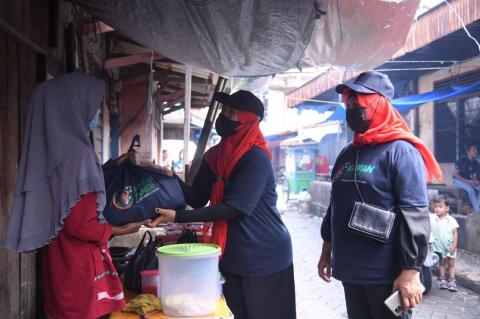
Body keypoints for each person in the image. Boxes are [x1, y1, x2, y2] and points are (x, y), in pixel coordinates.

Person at [3, 73, 149, 319]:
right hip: (79, 269)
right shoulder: (80, 155)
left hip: (57, 262)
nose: (95, 114)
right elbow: (81, 225)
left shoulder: (50, 152)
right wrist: (122, 229)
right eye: (92, 107)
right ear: (72, 107)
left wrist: (112, 166)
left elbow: (70, 196)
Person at [148, 90, 296, 319]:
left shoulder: (256, 159)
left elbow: (233, 209)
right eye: (225, 110)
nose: (224, 116)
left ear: (248, 120)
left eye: (232, 112)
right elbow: (197, 197)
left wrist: (177, 217)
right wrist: (170, 177)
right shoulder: (215, 156)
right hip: (231, 255)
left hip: (264, 257)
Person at [317, 71, 443, 319]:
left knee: (395, 316)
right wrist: (326, 250)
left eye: (358, 102)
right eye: (349, 103)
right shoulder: (347, 153)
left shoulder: (402, 152)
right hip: (350, 270)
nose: (352, 108)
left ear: (378, 104)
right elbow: (336, 205)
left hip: (387, 275)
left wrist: (411, 271)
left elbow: (415, 216)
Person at [430, 195, 459, 292]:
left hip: (449, 246)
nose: (437, 209)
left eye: (440, 206)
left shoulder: (451, 220)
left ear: (447, 208)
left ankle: (452, 280)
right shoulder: (433, 218)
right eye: (435, 207)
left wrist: (454, 246)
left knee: (451, 263)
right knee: (441, 263)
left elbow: (455, 233)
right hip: (438, 247)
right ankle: (442, 279)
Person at [452, 144, 480, 214]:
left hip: (469, 181)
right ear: (468, 151)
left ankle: (476, 208)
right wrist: (468, 181)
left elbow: (474, 175)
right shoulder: (461, 160)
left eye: (476, 150)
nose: (476, 152)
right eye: (473, 150)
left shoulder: (476, 163)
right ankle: (477, 210)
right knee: (470, 190)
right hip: (458, 181)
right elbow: (455, 174)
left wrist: (475, 181)